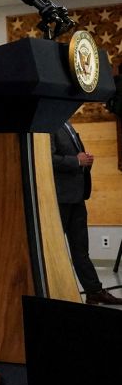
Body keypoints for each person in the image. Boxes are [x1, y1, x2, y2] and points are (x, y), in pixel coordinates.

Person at [51, 120, 122, 305]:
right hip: (60, 199)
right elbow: (47, 158)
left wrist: (85, 161)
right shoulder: (50, 126)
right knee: (55, 250)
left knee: (81, 250)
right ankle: (56, 292)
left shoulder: (67, 124)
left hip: (77, 196)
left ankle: (94, 291)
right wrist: (76, 160)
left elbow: (76, 156)